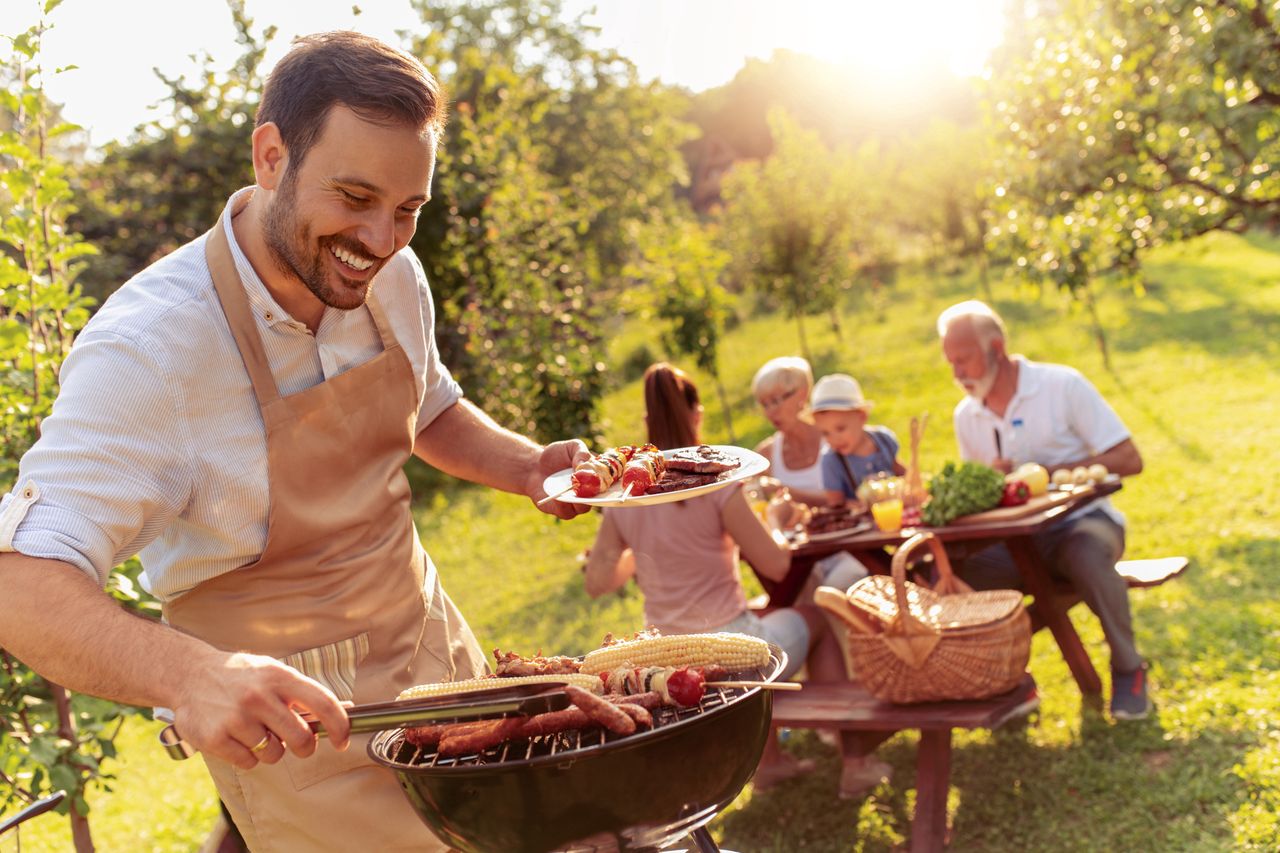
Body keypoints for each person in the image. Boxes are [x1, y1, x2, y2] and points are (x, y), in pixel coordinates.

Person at [0, 32, 591, 851]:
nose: (382, 240)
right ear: (272, 155)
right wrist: (188, 673)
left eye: (407, 210)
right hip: (301, 742)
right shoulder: (151, 351)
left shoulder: (392, 277)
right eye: (354, 197)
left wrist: (526, 466)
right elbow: (21, 584)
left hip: (437, 666)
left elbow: (431, 406)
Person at [584, 363, 886, 797]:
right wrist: (780, 520)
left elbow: (597, 582)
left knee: (774, 613)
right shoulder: (715, 483)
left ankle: (772, 763)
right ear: (696, 415)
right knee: (815, 618)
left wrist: (642, 550)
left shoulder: (624, 498)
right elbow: (777, 564)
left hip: (663, 656)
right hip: (730, 647)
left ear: (648, 421)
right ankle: (854, 761)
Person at [937, 299, 1151, 720]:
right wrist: (993, 483)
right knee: (953, 579)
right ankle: (1012, 684)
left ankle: (1129, 669)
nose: (956, 373)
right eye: (950, 362)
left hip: (1084, 524)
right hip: (1016, 543)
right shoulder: (967, 415)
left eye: (963, 360)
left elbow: (1129, 458)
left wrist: (1047, 472)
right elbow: (984, 499)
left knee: (1085, 555)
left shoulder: (1062, 385)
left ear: (996, 348)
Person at [810, 373, 906, 506]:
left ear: (862, 417)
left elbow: (900, 472)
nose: (834, 439)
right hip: (862, 524)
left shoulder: (883, 439)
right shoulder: (831, 460)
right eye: (825, 433)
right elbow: (836, 503)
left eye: (840, 429)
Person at [751, 356, 832, 508]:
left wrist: (783, 490)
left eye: (775, 401)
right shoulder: (764, 456)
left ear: (802, 393)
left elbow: (847, 498)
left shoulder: (833, 438)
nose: (770, 412)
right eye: (764, 405)